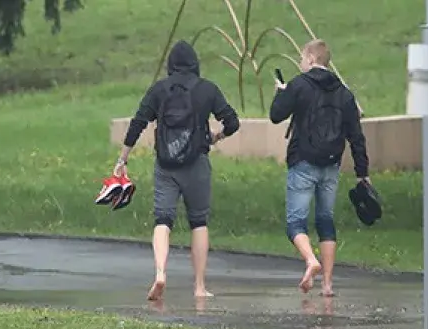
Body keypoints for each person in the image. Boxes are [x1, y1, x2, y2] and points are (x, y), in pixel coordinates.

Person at [113, 40, 240, 302]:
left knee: (163, 220)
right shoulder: (207, 89)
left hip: (165, 165)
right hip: (197, 164)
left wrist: (122, 159)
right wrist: (218, 136)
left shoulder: (159, 89)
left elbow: (138, 122)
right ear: (196, 64)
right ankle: (199, 286)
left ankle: (160, 272)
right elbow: (233, 122)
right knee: (199, 222)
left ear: (170, 65)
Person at [269, 39, 369, 297]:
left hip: (303, 161)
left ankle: (310, 260)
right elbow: (356, 135)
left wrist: (281, 92)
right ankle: (327, 284)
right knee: (326, 221)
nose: (301, 63)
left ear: (312, 58)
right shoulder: (344, 92)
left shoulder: (298, 85)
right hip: (331, 164)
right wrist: (362, 173)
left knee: (295, 223)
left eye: (302, 58)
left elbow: (276, 115)